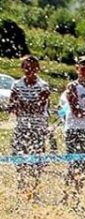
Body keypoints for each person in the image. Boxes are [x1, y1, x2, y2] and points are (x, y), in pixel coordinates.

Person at [8, 54, 50, 199]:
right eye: (26, 67)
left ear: (37, 69)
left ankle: (35, 187)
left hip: (38, 127)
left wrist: (23, 105)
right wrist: (25, 106)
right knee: (19, 154)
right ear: (22, 68)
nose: (29, 69)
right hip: (22, 126)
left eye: (32, 67)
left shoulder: (43, 85)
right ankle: (21, 183)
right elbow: (12, 106)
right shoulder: (17, 84)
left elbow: (38, 107)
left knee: (36, 157)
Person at [64, 55, 85, 203]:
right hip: (75, 129)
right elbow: (76, 111)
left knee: (84, 165)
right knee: (73, 164)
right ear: (78, 68)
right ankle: (66, 195)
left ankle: (76, 196)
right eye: (83, 68)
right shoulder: (73, 86)